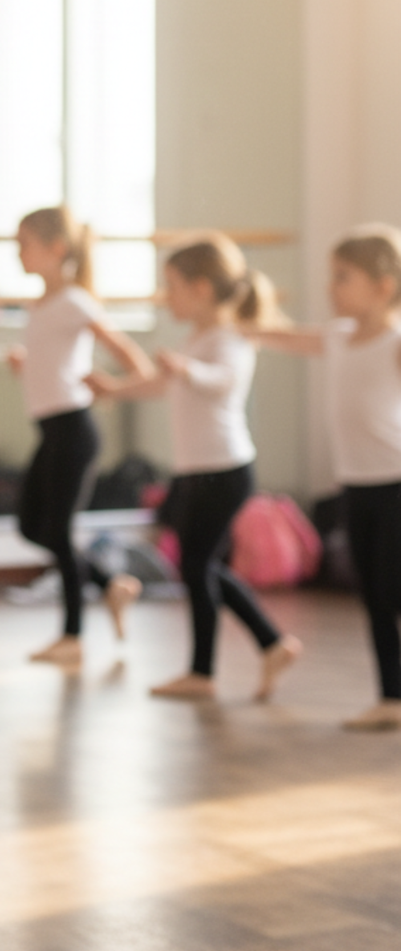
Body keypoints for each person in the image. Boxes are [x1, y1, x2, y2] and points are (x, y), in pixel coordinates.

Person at [89, 232, 303, 700]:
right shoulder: (198, 338)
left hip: (224, 472)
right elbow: (161, 385)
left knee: (196, 565)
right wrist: (115, 389)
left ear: (202, 288)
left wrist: (188, 371)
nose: (167, 297)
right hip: (196, 473)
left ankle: (203, 673)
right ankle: (271, 644)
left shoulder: (230, 338)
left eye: (173, 286)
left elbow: (221, 382)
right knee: (200, 566)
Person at [248, 225, 401, 730]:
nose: (331, 288)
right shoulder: (336, 338)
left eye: (343, 277)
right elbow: (285, 336)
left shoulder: (396, 342)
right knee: (375, 594)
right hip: (356, 487)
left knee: (393, 589)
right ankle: (391, 698)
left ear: (383, 285)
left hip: (396, 482)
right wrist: (246, 320)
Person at [7, 205, 153, 664]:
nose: (17, 252)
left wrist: (116, 386)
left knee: (58, 528)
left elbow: (131, 358)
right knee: (32, 524)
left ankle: (73, 635)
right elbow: (54, 364)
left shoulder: (75, 301)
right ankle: (111, 585)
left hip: (74, 429)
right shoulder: (45, 304)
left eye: (24, 242)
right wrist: (25, 368)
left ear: (56, 249)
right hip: (52, 429)